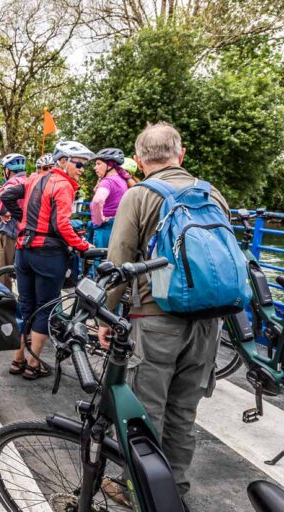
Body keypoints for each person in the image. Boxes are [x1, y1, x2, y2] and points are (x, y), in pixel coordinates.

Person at [98, 122, 228, 503]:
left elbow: (119, 259)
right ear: (181, 154)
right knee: (183, 415)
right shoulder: (212, 193)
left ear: (138, 160)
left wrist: (105, 317)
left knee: (145, 412)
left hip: (156, 319)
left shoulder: (138, 196)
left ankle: (138, 492)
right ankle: (176, 490)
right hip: (207, 321)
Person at [0, 141, 92, 379]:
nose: (82, 169)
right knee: (47, 308)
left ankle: (17, 359)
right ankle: (34, 364)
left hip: (24, 250)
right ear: (63, 161)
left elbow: (7, 195)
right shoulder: (62, 185)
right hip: (48, 254)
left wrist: (23, 220)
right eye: (79, 164)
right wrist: (83, 245)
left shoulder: (34, 178)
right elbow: (62, 225)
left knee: (26, 305)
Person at [0, 153, 28, 289]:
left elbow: (2, 208)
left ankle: (3, 305)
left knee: (3, 272)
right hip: (25, 233)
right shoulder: (29, 182)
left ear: (7, 170)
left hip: (9, 235)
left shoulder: (11, 184)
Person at [89, 148, 129, 249]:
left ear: (110, 165)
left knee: (101, 262)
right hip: (118, 226)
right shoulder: (122, 180)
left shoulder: (107, 182)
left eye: (98, 164)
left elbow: (97, 201)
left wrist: (99, 221)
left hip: (105, 230)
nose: (95, 167)